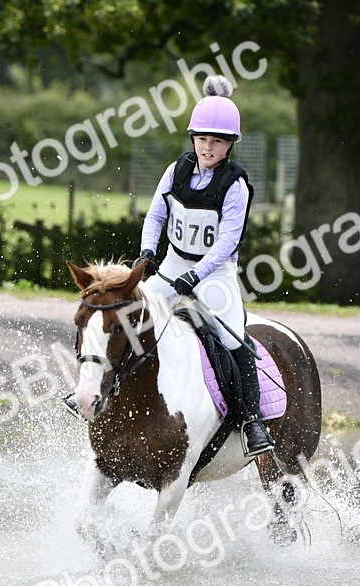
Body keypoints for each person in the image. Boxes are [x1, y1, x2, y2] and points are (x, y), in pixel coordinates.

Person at [137, 74, 273, 457]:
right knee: (129, 314)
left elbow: (228, 241)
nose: (207, 147)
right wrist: (147, 253)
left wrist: (195, 276)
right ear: (193, 138)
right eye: (201, 139)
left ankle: (251, 422)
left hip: (215, 275)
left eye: (216, 141)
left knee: (234, 338)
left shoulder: (236, 185)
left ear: (230, 144)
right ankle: (99, 391)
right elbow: (155, 216)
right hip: (173, 264)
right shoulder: (176, 170)